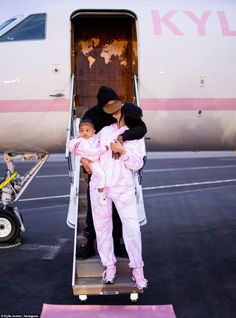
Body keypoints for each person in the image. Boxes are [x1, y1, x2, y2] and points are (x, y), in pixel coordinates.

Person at [78, 86, 147, 259]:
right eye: (109, 106)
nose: (114, 111)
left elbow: (141, 128)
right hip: (98, 171)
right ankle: (90, 244)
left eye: (115, 105)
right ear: (101, 105)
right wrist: (83, 162)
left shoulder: (124, 110)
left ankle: (117, 245)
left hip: (118, 174)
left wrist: (123, 138)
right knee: (94, 216)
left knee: (117, 214)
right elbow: (83, 141)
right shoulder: (91, 117)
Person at [90, 102, 148, 289]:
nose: (116, 113)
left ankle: (138, 270)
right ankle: (109, 267)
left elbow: (137, 164)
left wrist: (122, 151)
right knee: (102, 228)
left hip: (123, 187)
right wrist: (84, 160)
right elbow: (89, 148)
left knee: (132, 229)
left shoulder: (136, 136)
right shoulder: (105, 131)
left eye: (120, 111)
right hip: (100, 187)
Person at [67, 119, 109, 206]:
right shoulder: (82, 142)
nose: (84, 133)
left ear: (93, 131)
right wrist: (104, 149)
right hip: (91, 162)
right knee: (101, 175)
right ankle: (101, 196)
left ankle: (101, 194)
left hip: (95, 160)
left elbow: (98, 137)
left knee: (101, 176)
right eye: (81, 131)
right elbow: (91, 152)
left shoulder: (94, 137)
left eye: (87, 130)